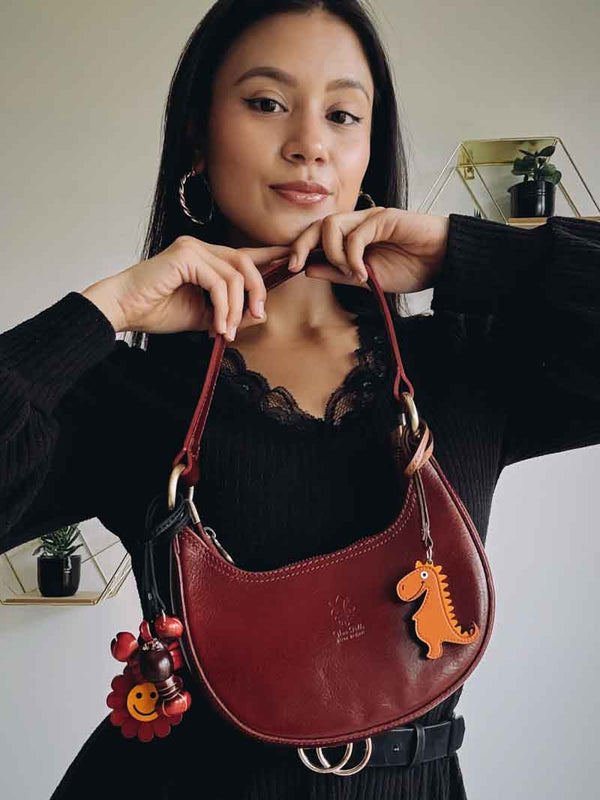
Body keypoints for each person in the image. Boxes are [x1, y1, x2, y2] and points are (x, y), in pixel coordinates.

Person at [1, 1, 599, 798]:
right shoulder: (126, 388)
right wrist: (103, 312)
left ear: (366, 150)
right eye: (265, 102)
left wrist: (471, 255)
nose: (309, 143)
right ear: (197, 135)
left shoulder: (463, 364)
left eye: (343, 113)